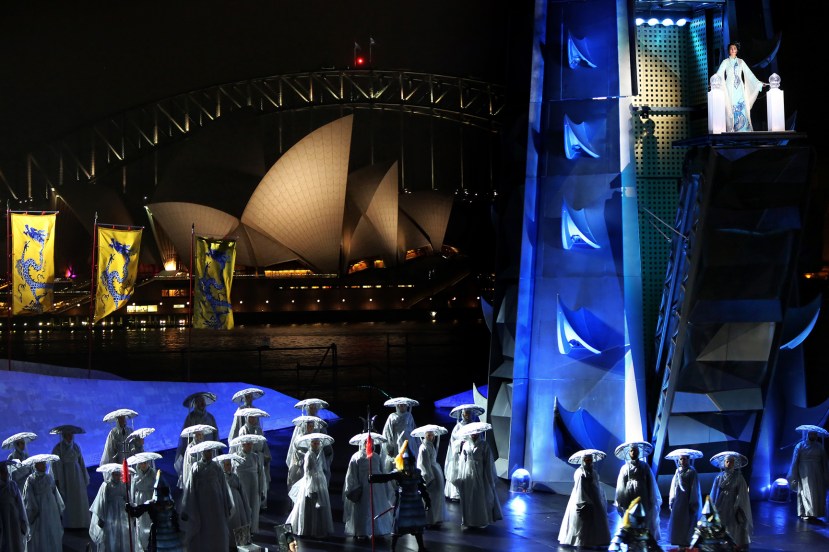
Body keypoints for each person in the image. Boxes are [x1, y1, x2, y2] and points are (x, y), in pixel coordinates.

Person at [368, 440, 431, 552]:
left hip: (415, 502)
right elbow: (386, 477)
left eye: (409, 462)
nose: (407, 465)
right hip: (404, 502)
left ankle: (421, 547)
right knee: (398, 526)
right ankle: (392, 548)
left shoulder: (417, 472)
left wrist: (427, 500)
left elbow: (421, 486)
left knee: (417, 527)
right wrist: (374, 478)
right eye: (405, 462)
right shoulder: (399, 473)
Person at [180, 443, 233, 551]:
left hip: (216, 506)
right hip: (202, 506)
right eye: (206, 451)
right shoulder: (196, 468)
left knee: (217, 531)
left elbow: (223, 486)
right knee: (203, 532)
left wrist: (228, 503)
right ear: (202, 453)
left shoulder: (217, 467)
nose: (209, 454)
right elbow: (190, 489)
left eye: (210, 451)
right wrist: (186, 508)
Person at [342, 432, 393, 540]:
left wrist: (385, 486)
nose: (370, 444)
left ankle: (379, 530)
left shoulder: (376, 456)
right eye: (367, 442)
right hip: (364, 486)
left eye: (371, 442)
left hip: (377, 487)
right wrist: (354, 487)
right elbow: (352, 474)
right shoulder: (356, 457)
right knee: (364, 508)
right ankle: (363, 531)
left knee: (377, 506)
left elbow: (382, 471)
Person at [453, 423, 502, 528]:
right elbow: (462, 461)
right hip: (468, 472)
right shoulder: (466, 445)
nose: (474, 435)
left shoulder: (484, 445)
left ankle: (481, 520)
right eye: (472, 433)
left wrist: (488, 477)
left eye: (476, 433)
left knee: (479, 496)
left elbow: (488, 462)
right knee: (469, 496)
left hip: (480, 472)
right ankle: (469, 520)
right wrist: (460, 475)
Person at [558, 449, 610, 547]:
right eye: (586, 460)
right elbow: (579, 488)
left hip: (594, 497)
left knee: (595, 519)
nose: (589, 462)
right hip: (581, 497)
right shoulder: (579, 473)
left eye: (590, 460)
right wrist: (584, 501)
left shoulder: (593, 472)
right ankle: (582, 541)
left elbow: (596, 485)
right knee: (582, 520)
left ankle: (595, 540)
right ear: (583, 461)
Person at [286, 433, 334, 538]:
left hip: (320, 480)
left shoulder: (319, 454)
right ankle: (306, 528)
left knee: (319, 506)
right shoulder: (309, 455)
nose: (316, 445)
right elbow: (307, 472)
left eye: (317, 443)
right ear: (311, 444)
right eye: (314, 443)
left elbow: (323, 467)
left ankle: (318, 529)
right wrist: (310, 487)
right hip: (310, 481)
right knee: (309, 504)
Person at [125, 469, 185, 552]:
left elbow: (175, 518)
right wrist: (130, 509)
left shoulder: (170, 503)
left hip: (171, 535)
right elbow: (136, 512)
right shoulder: (152, 503)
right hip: (158, 536)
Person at [614, 441, 663, 542]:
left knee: (643, 516)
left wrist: (651, 498)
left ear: (638, 452)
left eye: (635, 451)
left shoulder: (644, 466)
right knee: (631, 516)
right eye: (631, 451)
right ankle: (632, 540)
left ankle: (644, 539)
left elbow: (650, 482)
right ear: (629, 453)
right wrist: (621, 500)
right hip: (629, 495)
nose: (633, 453)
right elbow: (621, 485)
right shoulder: (624, 468)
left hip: (642, 494)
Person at [714, 42, 767, 132]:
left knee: (742, 105)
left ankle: (744, 129)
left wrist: (758, 83)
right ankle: (733, 128)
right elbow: (719, 73)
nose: (733, 50)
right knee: (731, 106)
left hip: (740, 88)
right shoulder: (725, 62)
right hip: (730, 87)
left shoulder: (741, 62)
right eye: (731, 48)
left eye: (734, 48)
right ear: (729, 51)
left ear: (737, 50)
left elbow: (749, 74)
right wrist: (714, 82)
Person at [709, 451, 752, 550]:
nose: (729, 464)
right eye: (727, 461)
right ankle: (721, 544)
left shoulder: (738, 477)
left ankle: (733, 544)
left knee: (733, 525)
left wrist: (738, 505)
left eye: (731, 462)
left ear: (734, 463)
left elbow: (742, 494)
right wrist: (712, 506)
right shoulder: (719, 477)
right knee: (721, 523)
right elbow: (714, 492)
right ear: (724, 463)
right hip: (721, 503)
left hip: (733, 504)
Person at [174, 392, 219, 487]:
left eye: (203, 401)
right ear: (195, 404)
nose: (202, 403)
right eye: (199, 401)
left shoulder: (210, 417)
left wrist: (216, 447)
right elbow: (185, 438)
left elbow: (215, 434)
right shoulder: (190, 418)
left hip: (209, 450)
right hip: (195, 451)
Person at [51, 426, 91, 529]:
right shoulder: (58, 448)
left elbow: (81, 462)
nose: (69, 437)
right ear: (63, 435)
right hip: (66, 476)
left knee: (79, 498)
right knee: (68, 500)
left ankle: (81, 523)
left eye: (71, 435)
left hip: (77, 476)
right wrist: (58, 479)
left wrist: (84, 476)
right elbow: (55, 465)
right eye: (67, 435)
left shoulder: (76, 447)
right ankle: (69, 524)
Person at [22, 455, 65, 551]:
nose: (45, 465)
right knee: (40, 533)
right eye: (42, 464)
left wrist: (58, 508)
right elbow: (28, 496)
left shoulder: (49, 477)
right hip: (39, 510)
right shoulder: (31, 479)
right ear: (36, 465)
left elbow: (55, 492)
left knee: (52, 529)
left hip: (51, 509)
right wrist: (33, 510)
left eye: (45, 463)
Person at [787, 426, 828, 522]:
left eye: (814, 434)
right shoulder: (800, 445)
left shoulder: (820, 447)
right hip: (804, 471)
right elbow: (795, 460)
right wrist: (794, 473)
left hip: (817, 472)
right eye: (811, 434)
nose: (812, 435)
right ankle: (805, 512)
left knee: (817, 492)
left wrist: (825, 474)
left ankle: (815, 513)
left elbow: (824, 462)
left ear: (816, 435)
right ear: (807, 434)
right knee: (805, 491)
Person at [89, 463, 131, 552]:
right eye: (115, 474)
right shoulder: (106, 486)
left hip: (122, 511)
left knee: (122, 531)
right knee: (112, 533)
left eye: (118, 474)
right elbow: (101, 501)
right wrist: (101, 517)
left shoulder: (123, 485)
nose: (117, 476)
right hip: (111, 512)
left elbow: (127, 498)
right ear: (111, 474)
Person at [444, 404, 482, 501]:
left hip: (471, 453)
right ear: (463, 414)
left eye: (469, 413)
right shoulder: (458, 427)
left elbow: (479, 439)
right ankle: (457, 494)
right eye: (466, 413)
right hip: (460, 454)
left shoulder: (474, 426)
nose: (467, 415)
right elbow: (453, 442)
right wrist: (461, 443)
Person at [666, 449, 702, 548]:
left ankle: (686, 541)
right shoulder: (677, 471)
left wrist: (693, 502)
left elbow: (694, 488)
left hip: (687, 500)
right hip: (678, 500)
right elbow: (673, 486)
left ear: (688, 460)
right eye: (681, 459)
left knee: (687, 521)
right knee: (678, 521)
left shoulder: (692, 471)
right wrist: (672, 500)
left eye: (684, 459)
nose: (682, 461)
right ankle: (678, 540)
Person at [230, 435, 266, 534]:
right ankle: (243, 531)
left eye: (251, 444)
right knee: (243, 509)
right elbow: (233, 473)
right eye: (247, 444)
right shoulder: (236, 457)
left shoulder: (255, 457)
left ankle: (252, 530)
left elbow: (261, 474)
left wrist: (262, 489)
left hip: (254, 486)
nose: (250, 446)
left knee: (254, 508)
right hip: (242, 486)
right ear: (243, 445)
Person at [237, 409, 272, 510]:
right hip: (248, 459)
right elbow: (241, 445)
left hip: (259, 458)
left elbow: (263, 444)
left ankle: (261, 504)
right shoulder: (243, 430)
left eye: (254, 417)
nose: (253, 420)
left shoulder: (259, 430)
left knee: (261, 481)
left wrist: (266, 455)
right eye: (251, 417)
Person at [216, 453, 252, 548]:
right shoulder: (219, 479)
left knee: (239, 523)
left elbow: (241, 490)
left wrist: (245, 505)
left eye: (229, 464)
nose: (228, 467)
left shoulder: (235, 476)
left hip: (238, 503)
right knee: (231, 524)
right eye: (226, 465)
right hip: (228, 504)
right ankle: (230, 544)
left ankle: (241, 544)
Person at [414, 425, 447, 528]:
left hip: (435, 471)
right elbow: (423, 464)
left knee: (437, 497)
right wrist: (428, 478)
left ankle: (435, 518)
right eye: (429, 435)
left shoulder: (431, 446)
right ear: (425, 436)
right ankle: (428, 519)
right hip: (430, 474)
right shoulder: (423, 448)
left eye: (432, 435)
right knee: (430, 497)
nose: (431, 437)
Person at [287, 416, 331, 493]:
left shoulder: (315, 437)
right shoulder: (299, 438)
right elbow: (297, 452)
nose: (311, 428)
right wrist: (307, 455)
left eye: (312, 426)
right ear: (305, 426)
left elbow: (320, 451)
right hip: (301, 467)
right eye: (309, 426)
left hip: (313, 468)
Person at [128, 453, 160, 551]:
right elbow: (133, 490)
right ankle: (143, 545)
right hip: (140, 500)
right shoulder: (136, 475)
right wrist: (133, 504)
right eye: (141, 463)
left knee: (151, 521)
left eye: (145, 463)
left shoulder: (153, 473)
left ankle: (152, 542)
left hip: (150, 498)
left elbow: (157, 487)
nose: (143, 465)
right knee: (141, 522)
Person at [0, 459, 29, 552]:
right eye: (3, 472)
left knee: (15, 538)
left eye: (6, 472)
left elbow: (20, 503)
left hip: (14, 517)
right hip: (2, 518)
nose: (6, 474)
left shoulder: (12, 485)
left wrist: (22, 520)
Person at [382, 399, 418, 473]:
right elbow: (388, 432)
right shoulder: (392, 416)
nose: (402, 407)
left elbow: (413, 428)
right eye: (400, 405)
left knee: (410, 460)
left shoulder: (409, 415)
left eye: (404, 405)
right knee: (399, 461)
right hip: (397, 441)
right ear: (397, 406)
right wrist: (389, 447)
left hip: (409, 442)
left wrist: (418, 443)